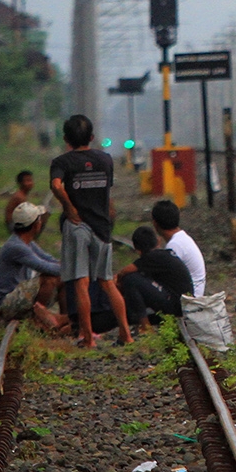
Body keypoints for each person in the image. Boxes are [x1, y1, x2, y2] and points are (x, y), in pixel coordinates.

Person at [51, 114, 132, 347]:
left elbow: (56, 185)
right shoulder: (106, 160)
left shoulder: (62, 162)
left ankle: (87, 338)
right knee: (107, 281)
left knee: (81, 283)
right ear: (92, 137)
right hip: (101, 227)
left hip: (77, 228)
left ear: (66, 139)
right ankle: (126, 334)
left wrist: (69, 206)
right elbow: (108, 197)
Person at [0, 202, 69, 334]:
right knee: (49, 278)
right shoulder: (16, 247)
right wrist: (73, 269)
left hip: (18, 297)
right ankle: (39, 320)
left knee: (62, 278)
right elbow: (44, 266)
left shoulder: (27, 243)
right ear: (35, 225)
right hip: (7, 303)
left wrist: (65, 266)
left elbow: (48, 259)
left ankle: (66, 321)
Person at [116, 225, 193, 328]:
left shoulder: (152, 257)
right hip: (184, 303)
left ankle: (145, 328)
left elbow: (124, 272)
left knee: (131, 279)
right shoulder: (163, 255)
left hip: (178, 306)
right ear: (158, 241)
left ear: (137, 250)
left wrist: (115, 283)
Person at [152, 199, 207, 298]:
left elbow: (165, 277)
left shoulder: (174, 246)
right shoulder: (181, 238)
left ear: (155, 223)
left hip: (190, 299)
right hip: (193, 292)